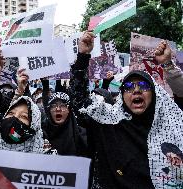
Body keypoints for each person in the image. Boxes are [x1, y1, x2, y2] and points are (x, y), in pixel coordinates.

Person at [70, 31, 183, 189]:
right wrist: (82, 56)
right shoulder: (109, 121)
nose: (136, 91)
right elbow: (80, 101)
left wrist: (169, 66)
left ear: (154, 93)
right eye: (129, 87)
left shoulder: (171, 123)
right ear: (122, 96)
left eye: (143, 86)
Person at [0, 47, 56, 188]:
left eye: (24, 116)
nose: (14, 119)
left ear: (34, 125)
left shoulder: (48, 157)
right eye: (10, 114)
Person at [42, 92, 88, 157]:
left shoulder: (82, 136)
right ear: (49, 110)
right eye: (53, 106)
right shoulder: (41, 135)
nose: (58, 109)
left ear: (68, 110)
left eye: (63, 105)